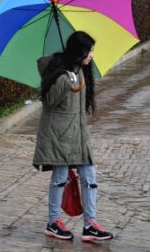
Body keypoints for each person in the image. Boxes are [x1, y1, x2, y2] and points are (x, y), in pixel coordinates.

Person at [33, 31, 113, 242]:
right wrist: (64, 80)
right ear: (78, 51)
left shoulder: (81, 70)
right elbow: (49, 102)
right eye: (89, 51)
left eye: (93, 50)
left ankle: (90, 225)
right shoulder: (59, 73)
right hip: (59, 136)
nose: (91, 55)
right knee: (60, 178)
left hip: (79, 135)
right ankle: (53, 222)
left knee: (90, 178)